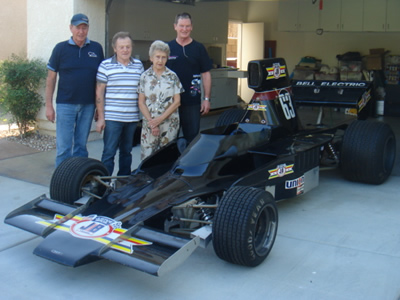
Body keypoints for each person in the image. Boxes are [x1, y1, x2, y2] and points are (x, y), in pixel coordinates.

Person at [45, 13, 104, 167]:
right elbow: (51, 79)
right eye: (78, 27)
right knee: (64, 148)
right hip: (65, 105)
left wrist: (99, 107)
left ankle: (77, 180)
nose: (81, 31)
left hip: (88, 105)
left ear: (88, 29)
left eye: (84, 28)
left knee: (81, 148)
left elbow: (100, 81)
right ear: (71, 28)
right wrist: (49, 105)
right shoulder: (60, 49)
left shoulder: (96, 48)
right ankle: (62, 184)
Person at [95, 31, 144, 175]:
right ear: (115, 48)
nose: (125, 50)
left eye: (128, 47)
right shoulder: (105, 66)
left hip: (132, 118)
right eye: (121, 47)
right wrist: (101, 118)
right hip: (112, 118)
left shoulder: (138, 66)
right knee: (109, 153)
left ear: (132, 47)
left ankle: (123, 182)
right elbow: (99, 93)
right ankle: (104, 184)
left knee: (126, 152)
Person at [166, 12, 212, 144]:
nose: (184, 29)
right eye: (181, 26)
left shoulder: (199, 48)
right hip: (170, 102)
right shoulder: (168, 48)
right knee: (170, 139)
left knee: (192, 139)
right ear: (175, 26)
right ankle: (171, 164)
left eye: (187, 26)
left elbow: (206, 74)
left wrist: (207, 99)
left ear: (191, 27)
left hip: (192, 101)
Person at [138, 40, 184, 160]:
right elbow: (141, 102)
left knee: (167, 157)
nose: (160, 60)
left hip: (169, 125)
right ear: (151, 58)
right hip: (150, 125)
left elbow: (177, 102)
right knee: (148, 159)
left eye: (163, 57)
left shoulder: (173, 76)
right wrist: (152, 122)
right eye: (157, 57)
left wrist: (159, 119)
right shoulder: (144, 77)